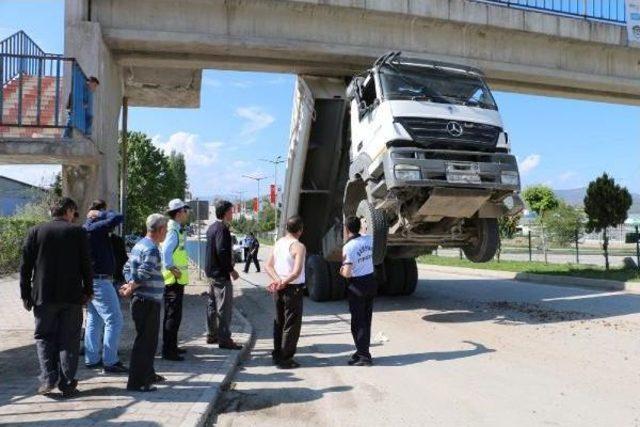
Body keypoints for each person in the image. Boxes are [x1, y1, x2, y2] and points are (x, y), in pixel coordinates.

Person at [19, 197, 93, 397]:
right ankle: (67, 382)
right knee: (69, 338)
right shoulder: (77, 232)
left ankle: (48, 378)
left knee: (44, 337)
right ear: (68, 210)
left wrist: (25, 294)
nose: (74, 216)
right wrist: (88, 290)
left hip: (43, 296)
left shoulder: (35, 231)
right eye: (74, 212)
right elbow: (86, 264)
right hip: (72, 296)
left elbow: (25, 267)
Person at [120, 214, 168, 392]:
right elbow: (142, 274)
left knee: (148, 340)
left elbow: (127, 268)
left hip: (142, 300)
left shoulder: (139, 245)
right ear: (161, 230)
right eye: (166, 230)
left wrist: (129, 283)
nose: (166, 233)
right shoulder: (152, 249)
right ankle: (137, 382)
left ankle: (148, 374)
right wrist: (131, 286)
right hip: (146, 301)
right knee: (145, 342)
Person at [82, 199, 127, 374]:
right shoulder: (96, 227)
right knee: (114, 320)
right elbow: (118, 217)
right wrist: (101, 214)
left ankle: (92, 359)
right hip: (101, 281)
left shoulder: (87, 229)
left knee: (94, 320)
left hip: (93, 280)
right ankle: (110, 360)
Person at [265, 216, 306, 369]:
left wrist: (277, 280)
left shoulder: (279, 243)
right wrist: (284, 282)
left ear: (286, 229)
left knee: (279, 322)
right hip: (292, 289)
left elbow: (268, 266)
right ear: (300, 230)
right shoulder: (299, 246)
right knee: (291, 324)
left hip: (278, 288)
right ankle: (286, 358)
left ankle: (277, 354)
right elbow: (296, 272)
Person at [205, 200, 242, 350]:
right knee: (224, 308)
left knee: (212, 305)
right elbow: (222, 251)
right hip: (221, 273)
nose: (232, 214)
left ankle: (211, 334)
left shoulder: (212, 228)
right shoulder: (222, 229)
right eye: (231, 211)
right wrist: (230, 270)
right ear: (225, 212)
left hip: (211, 272)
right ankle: (224, 339)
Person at [340, 216, 377, 367]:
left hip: (357, 286)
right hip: (370, 282)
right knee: (366, 320)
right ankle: (361, 350)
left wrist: (341, 271)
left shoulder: (348, 247)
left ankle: (364, 356)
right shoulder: (369, 240)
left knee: (358, 322)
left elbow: (347, 273)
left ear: (347, 229)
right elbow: (365, 231)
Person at [160, 199, 191, 362]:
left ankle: (172, 346)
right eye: (185, 211)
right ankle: (168, 351)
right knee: (172, 316)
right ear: (179, 213)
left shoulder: (176, 229)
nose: (187, 213)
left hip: (176, 281)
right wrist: (173, 269)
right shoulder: (172, 230)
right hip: (172, 281)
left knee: (174, 316)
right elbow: (165, 254)